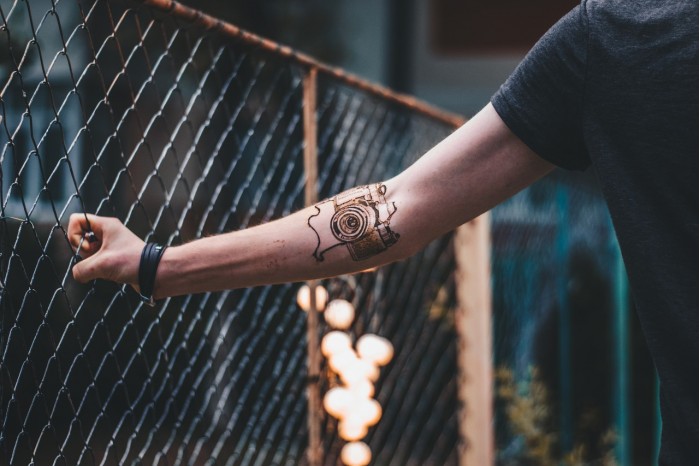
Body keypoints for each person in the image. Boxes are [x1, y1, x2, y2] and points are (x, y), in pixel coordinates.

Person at [68, 0, 698, 463]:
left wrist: (157, 265)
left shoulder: (619, 37)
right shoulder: (612, 41)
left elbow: (397, 207)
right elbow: (391, 210)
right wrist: (156, 265)